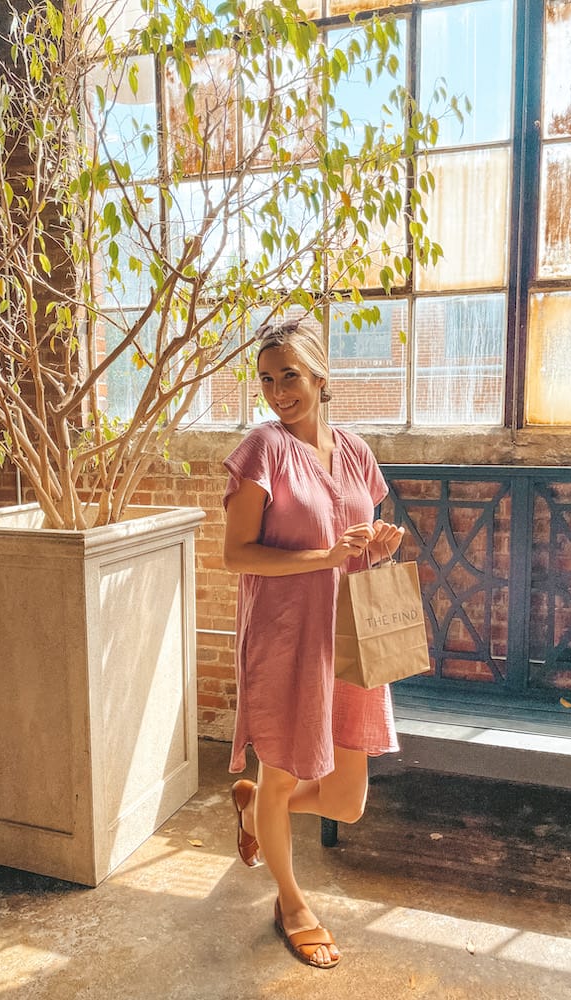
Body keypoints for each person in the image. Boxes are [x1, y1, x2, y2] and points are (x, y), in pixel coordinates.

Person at [222, 318, 405, 970]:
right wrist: (322, 558)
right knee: (282, 778)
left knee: (346, 801)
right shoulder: (261, 450)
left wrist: (377, 547)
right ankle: (292, 902)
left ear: (321, 377)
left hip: (349, 636)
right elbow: (235, 552)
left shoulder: (354, 450)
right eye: (267, 380)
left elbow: (362, 530)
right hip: (286, 639)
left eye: (290, 376)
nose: (277, 391)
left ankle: (252, 812)